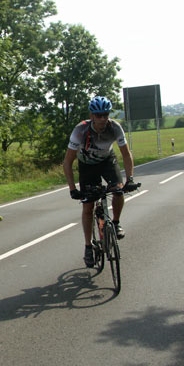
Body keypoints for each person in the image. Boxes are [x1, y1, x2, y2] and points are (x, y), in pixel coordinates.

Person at [63, 96, 135, 268]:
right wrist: (73, 188)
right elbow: (67, 162)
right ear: (92, 115)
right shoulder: (80, 130)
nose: (103, 118)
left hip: (107, 162)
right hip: (87, 165)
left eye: (106, 114)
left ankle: (116, 223)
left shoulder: (115, 127)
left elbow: (126, 154)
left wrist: (130, 179)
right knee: (88, 206)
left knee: (118, 190)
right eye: (99, 115)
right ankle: (88, 246)